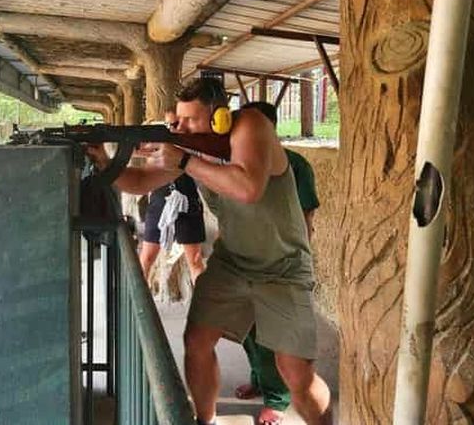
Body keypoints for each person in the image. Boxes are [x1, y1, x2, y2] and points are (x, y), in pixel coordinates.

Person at [87, 77, 332, 425]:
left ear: (220, 118)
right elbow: (141, 183)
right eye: (179, 120)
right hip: (233, 262)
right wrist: (103, 162)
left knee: (296, 375)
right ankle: (206, 421)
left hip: (284, 269)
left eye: (190, 121)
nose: (180, 127)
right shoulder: (190, 147)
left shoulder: (251, 125)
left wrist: (185, 159)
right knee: (197, 341)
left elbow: (248, 188)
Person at [233, 101, 321, 425]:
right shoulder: (241, 160)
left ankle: (278, 400)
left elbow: (307, 216)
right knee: (247, 329)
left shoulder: (295, 166)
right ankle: (259, 379)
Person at [139, 110, 206, 283]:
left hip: (188, 202)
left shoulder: (195, 145)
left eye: (176, 124)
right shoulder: (158, 146)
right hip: (159, 202)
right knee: (146, 258)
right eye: (168, 125)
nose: (173, 129)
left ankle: (200, 305)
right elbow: (143, 159)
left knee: (195, 261)